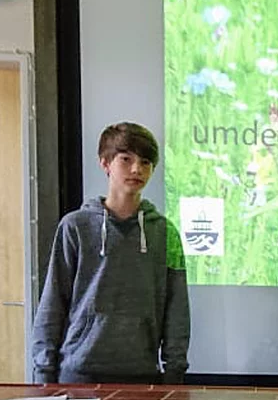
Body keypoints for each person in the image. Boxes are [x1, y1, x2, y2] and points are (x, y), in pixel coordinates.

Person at [31, 122, 190, 385]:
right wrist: (43, 375)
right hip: (78, 374)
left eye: (146, 162)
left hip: (142, 374)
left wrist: (174, 372)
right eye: (126, 159)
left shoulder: (165, 232)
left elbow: (177, 308)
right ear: (105, 163)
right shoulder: (75, 227)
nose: (137, 169)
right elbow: (53, 302)